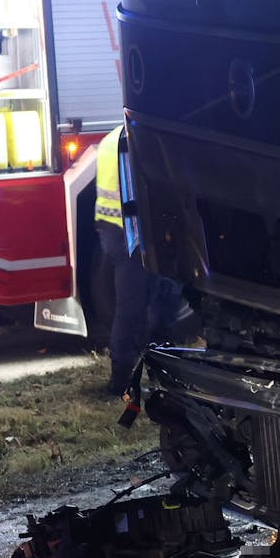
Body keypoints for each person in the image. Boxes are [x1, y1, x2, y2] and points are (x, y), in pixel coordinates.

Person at [95, 123, 182, 396]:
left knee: (138, 306)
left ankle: (143, 376)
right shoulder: (144, 138)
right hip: (132, 232)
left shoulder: (110, 139)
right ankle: (126, 382)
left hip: (112, 231)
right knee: (146, 307)